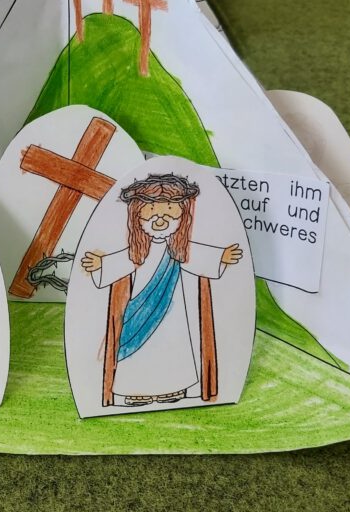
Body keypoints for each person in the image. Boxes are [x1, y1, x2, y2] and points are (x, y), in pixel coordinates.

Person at [81, 172, 243, 406]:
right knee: (137, 353)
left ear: (182, 215)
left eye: (169, 211)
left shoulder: (179, 250)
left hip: (172, 315)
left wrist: (220, 257)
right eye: (151, 212)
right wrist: (100, 265)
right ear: (138, 216)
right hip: (137, 314)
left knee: (173, 347)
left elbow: (197, 256)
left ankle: (172, 387)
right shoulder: (137, 251)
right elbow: (120, 263)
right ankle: (135, 390)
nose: (160, 219)